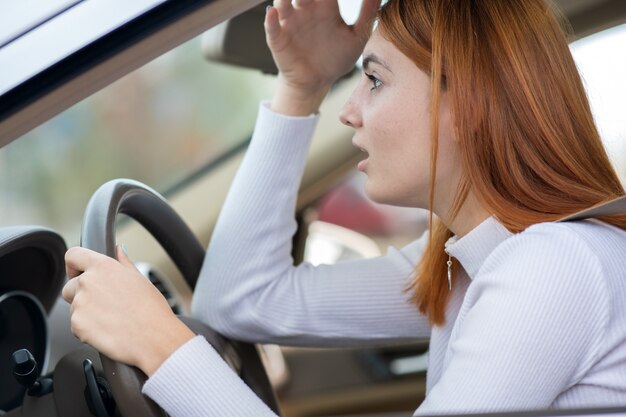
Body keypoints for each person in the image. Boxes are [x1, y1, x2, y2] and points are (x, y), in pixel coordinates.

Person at [62, 0, 626, 415]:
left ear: (469, 102)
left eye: (374, 81)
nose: (349, 111)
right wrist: (302, 85)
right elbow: (238, 300)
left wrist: (158, 343)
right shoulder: (465, 263)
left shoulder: (556, 265)